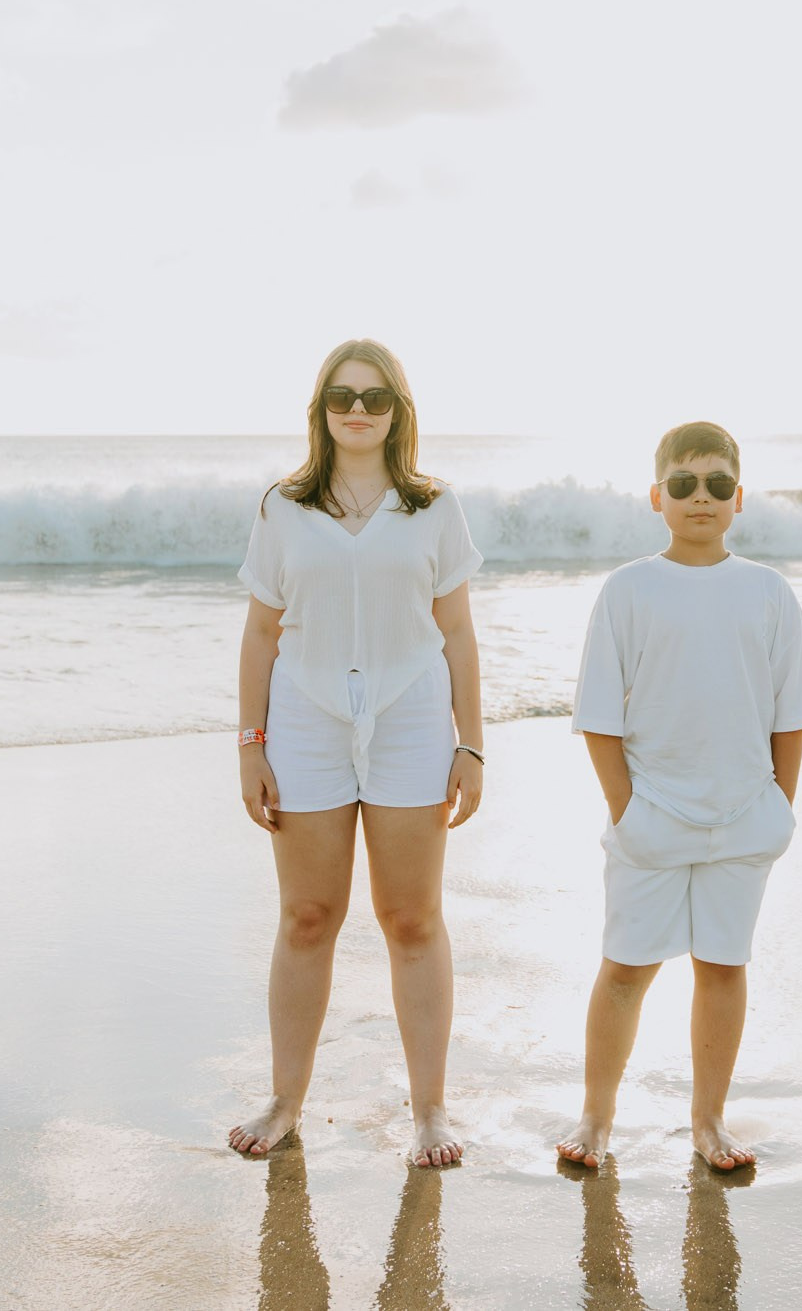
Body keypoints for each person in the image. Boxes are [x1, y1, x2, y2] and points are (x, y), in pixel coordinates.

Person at [229, 338, 487, 1168]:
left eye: (376, 397)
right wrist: (250, 744)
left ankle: (430, 1111)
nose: (359, 409)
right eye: (343, 394)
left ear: (398, 411)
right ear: (322, 408)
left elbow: (456, 631)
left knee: (411, 918)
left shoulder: (435, 506)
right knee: (308, 917)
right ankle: (284, 1100)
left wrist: (471, 742)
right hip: (304, 719)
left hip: (412, 716)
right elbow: (262, 632)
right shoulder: (281, 505)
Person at [554, 421, 802, 1172]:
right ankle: (596, 1116)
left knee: (722, 966)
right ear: (657, 496)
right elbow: (599, 718)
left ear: (739, 497)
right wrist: (628, 814)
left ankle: (709, 1121)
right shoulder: (629, 589)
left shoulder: (767, 590)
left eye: (717, 483)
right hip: (651, 820)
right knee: (624, 968)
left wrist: (780, 807)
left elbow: (791, 711)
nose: (700, 496)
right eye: (683, 484)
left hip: (745, 817)